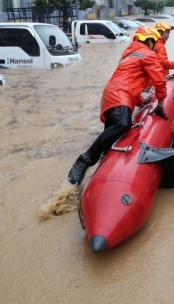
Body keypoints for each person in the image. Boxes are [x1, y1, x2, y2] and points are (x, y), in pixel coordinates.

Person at [67, 26, 168, 185]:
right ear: (150, 42)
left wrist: (141, 101)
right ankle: (84, 160)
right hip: (120, 95)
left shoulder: (127, 56)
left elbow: (129, 80)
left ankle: (91, 178)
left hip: (110, 95)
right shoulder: (148, 54)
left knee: (110, 141)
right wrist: (161, 105)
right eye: (155, 42)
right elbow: (160, 81)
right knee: (123, 124)